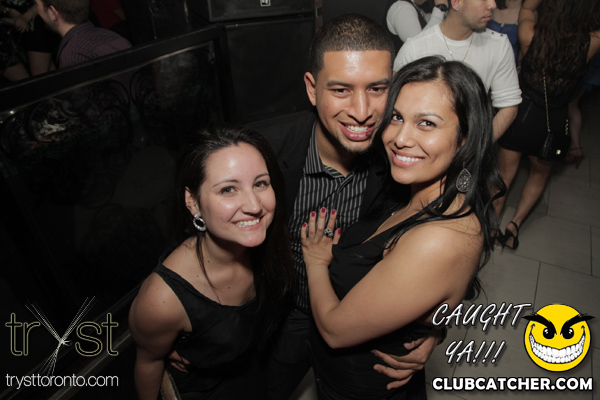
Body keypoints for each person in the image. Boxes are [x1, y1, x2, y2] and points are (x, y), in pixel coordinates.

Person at [248, 13, 444, 399]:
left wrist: (434, 327)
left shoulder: (405, 158)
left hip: (361, 318)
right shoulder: (263, 150)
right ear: (312, 88)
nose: (361, 110)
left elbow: (447, 246)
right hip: (283, 314)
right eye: (341, 89)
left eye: (377, 88)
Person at [301, 55, 505, 399]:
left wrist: (316, 262)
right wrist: (434, 326)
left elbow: (335, 331)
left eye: (426, 123)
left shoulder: (440, 238)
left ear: (465, 139)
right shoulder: (409, 188)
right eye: (396, 117)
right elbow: (434, 288)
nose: (400, 138)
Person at [129, 126, 295, 399]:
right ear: (193, 202)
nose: (254, 205)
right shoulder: (163, 300)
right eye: (228, 189)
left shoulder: (268, 244)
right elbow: (148, 364)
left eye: (260, 183)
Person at [496, 0, 600, 249]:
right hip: (552, 122)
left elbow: (528, 8)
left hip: (520, 116)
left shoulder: (528, 35)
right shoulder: (591, 43)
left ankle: (491, 225)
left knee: (504, 175)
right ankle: (514, 225)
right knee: (539, 174)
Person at [394, 0, 521, 141]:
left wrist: (477, 147)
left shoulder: (498, 46)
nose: (492, 5)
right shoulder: (415, 48)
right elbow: (393, 107)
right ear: (456, 2)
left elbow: (509, 106)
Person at [34, 0, 131, 68]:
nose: (37, 11)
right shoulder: (114, 37)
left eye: (36, 4)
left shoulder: (73, 56)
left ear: (52, 13)